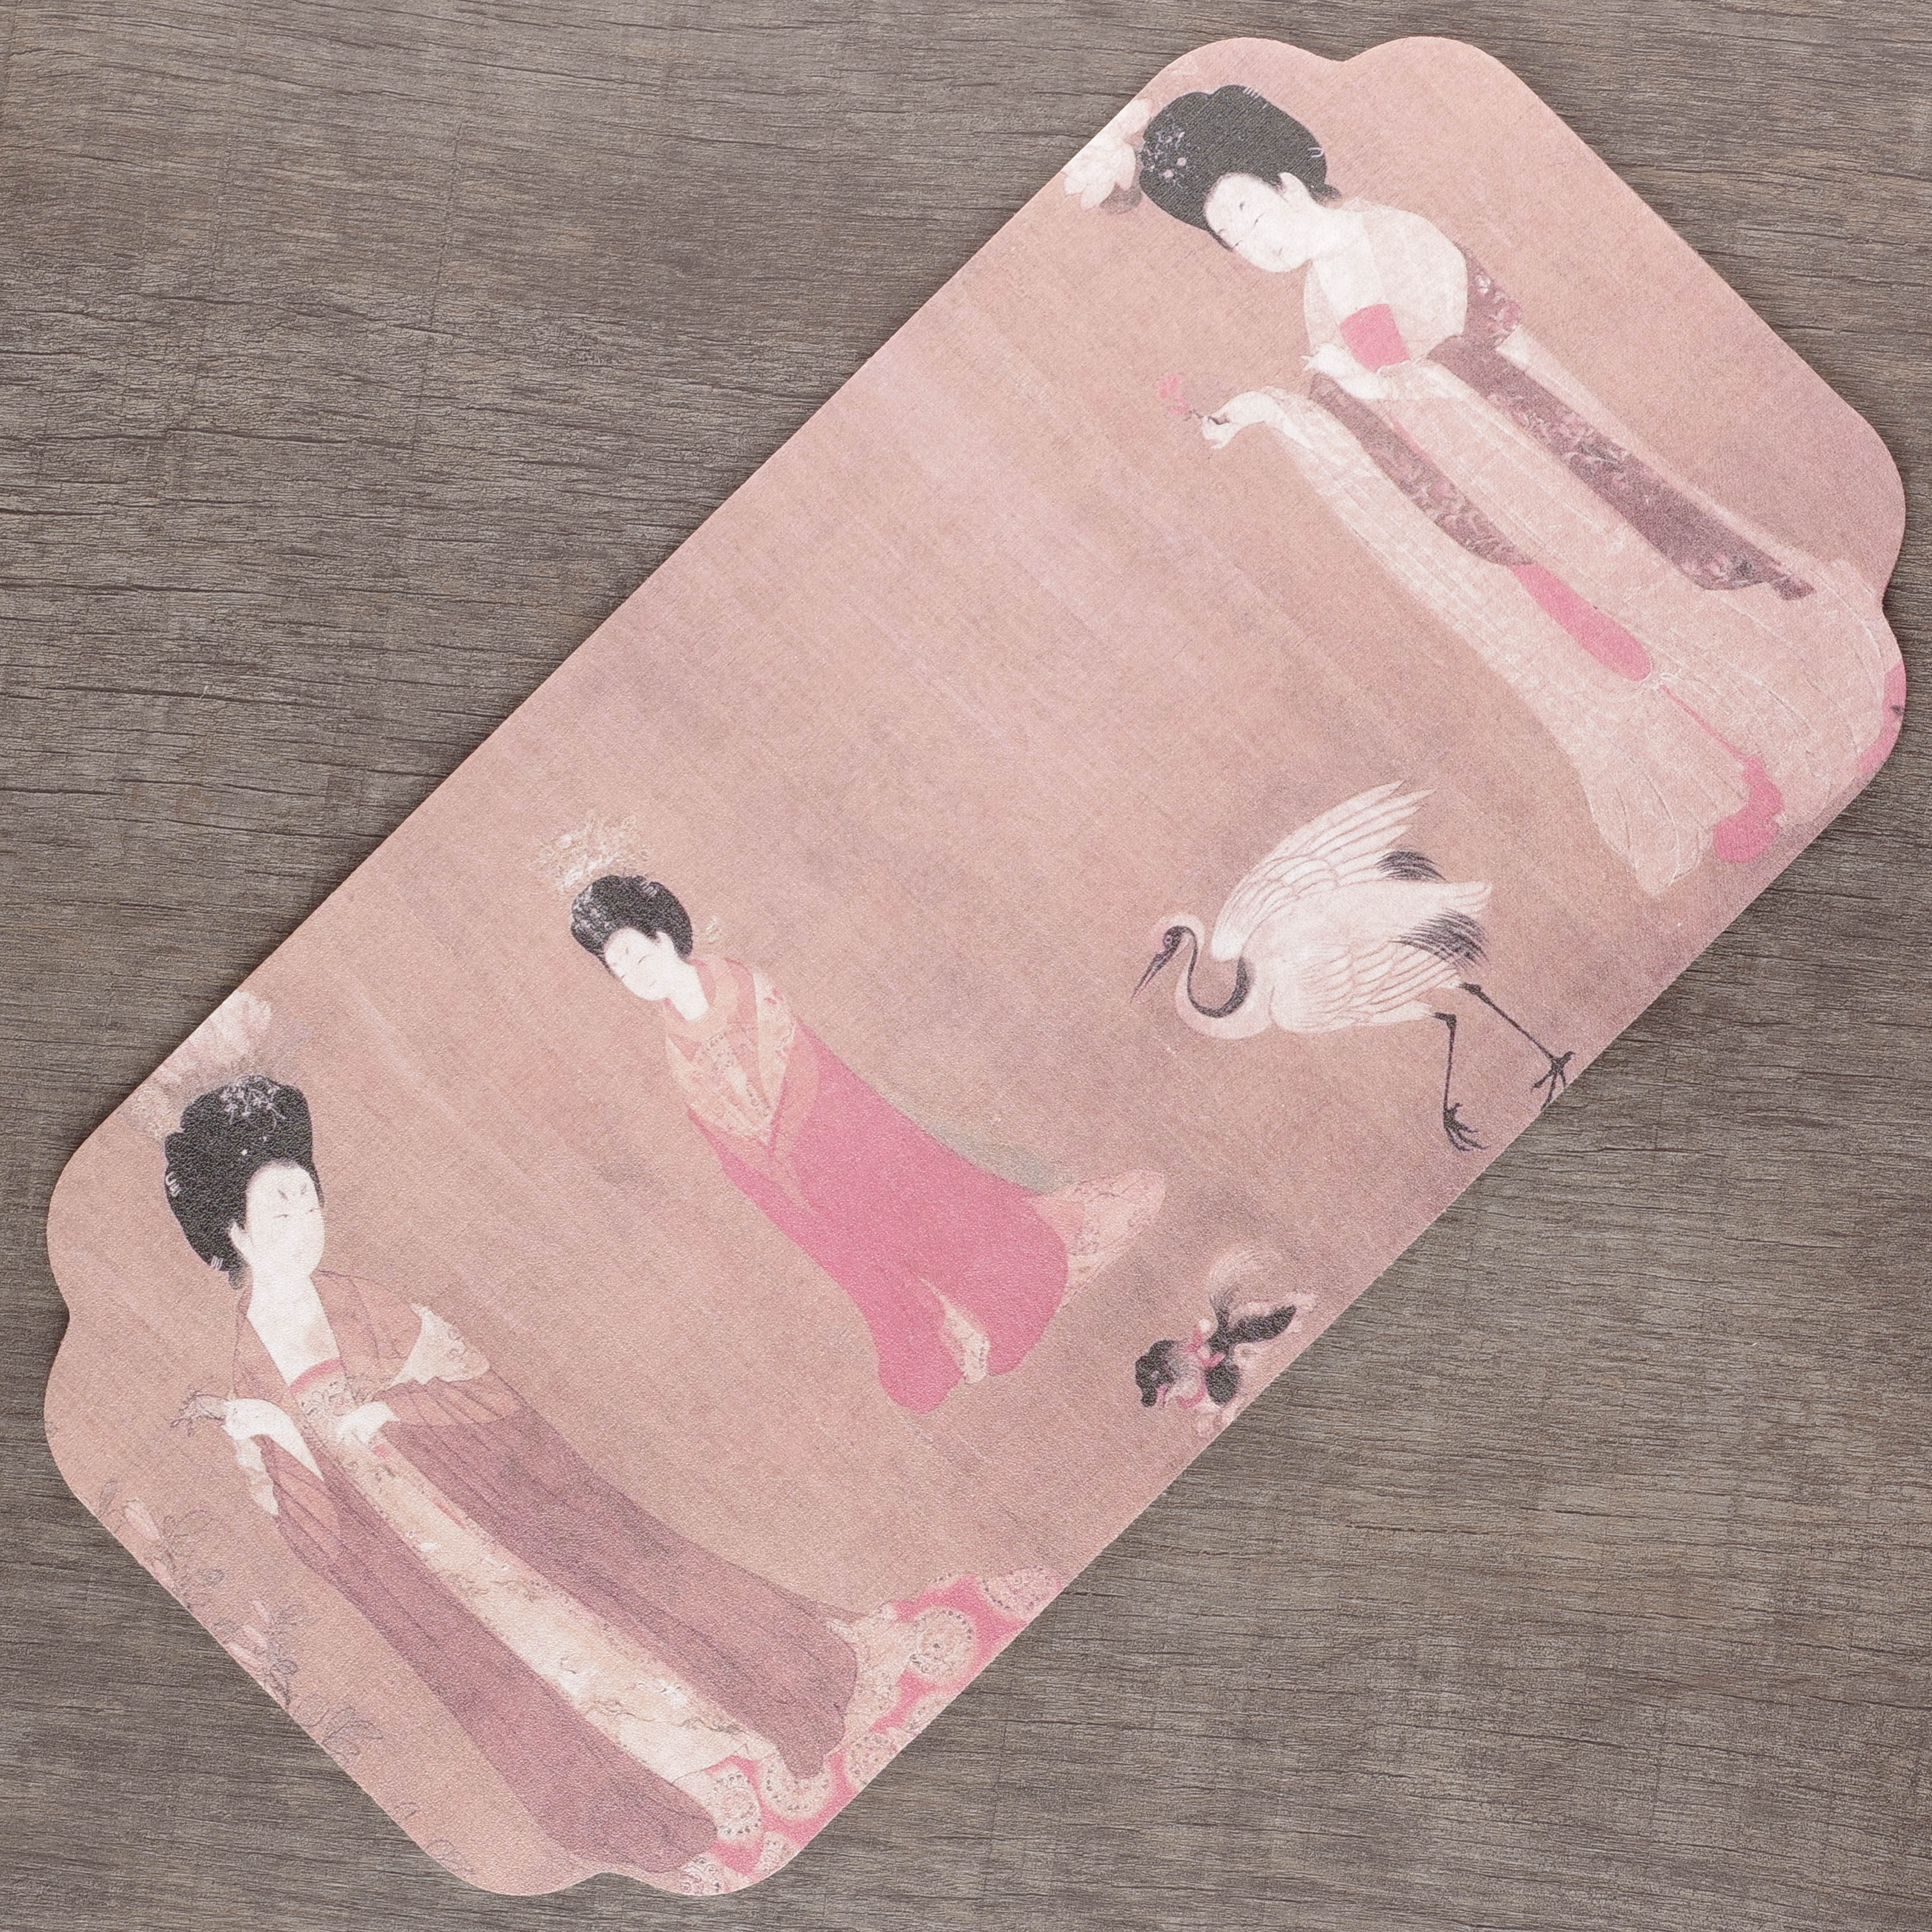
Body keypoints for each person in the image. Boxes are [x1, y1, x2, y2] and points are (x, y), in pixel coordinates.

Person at [1086, 85, 1905, 895]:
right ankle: (1734, 778)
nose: (1254, 241)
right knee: (1594, 642)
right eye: (1231, 236)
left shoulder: (1390, 234)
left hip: (1554, 469)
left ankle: (1823, 719)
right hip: (1485, 506)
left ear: (1286, 181)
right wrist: (1270, 411)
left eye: (1248, 210)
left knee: (1660, 588)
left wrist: (1372, 385)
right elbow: (1369, 433)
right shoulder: (1316, 295)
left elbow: (1462, 362)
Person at [163, 1073, 864, 1876]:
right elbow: (318, 1542)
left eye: (309, 1204)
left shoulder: (365, 1303)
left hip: (499, 1508)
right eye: (279, 1213)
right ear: (235, 1231)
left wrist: (394, 1410)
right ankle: (664, 1789)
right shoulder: (249, 1373)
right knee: (529, 1669)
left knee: (620, 1598)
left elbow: (483, 1386)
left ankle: (756, 1720)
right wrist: (280, 1432)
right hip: (427, 1568)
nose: (304, 1228)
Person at [570, 875, 1163, 1412]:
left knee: (936, 1221)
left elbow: (800, 1065)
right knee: (871, 1270)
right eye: (619, 969)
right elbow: (721, 1132)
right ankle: (946, 1337)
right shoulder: (676, 1047)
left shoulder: (738, 984)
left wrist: (787, 1148)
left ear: (660, 935)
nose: (635, 974)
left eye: (634, 953)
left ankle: (1002, 1297)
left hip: (848, 1138)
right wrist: (770, 1175)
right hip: (790, 1184)